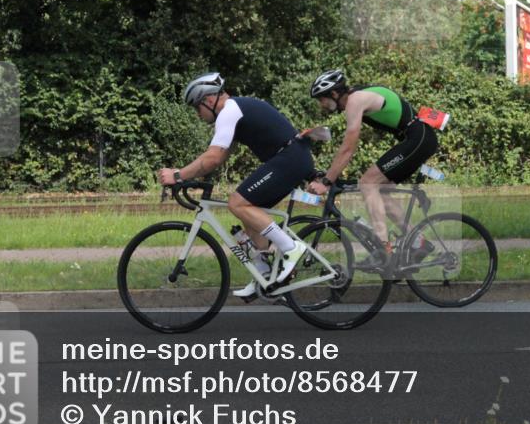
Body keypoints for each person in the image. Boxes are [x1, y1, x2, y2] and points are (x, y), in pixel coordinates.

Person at [156, 72, 314, 299]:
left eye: (196, 108)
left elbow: (211, 158)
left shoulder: (229, 111)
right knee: (248, 214)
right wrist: (191, 176)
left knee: (237, 202)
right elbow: (218, 158)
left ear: (209, 101)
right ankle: (265, 273)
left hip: (290, 158)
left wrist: (178, 175)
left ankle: (291, 249)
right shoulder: (234, 111)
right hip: (291, 158)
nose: (197, 115)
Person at [306, 69, 438, 263]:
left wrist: (327, 180)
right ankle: (418, 242)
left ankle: (383, 249)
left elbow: (348, 148)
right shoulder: (355, 99)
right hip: (417, 138)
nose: (321, 105)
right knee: (378, 191)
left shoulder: (355, 101)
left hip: (418, 138)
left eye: (321, 99)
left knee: (367, 183)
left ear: (334, 94)